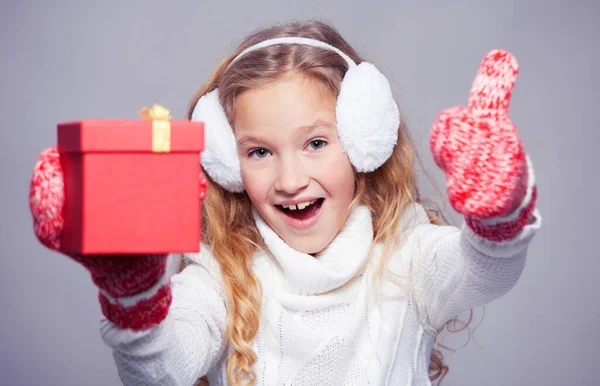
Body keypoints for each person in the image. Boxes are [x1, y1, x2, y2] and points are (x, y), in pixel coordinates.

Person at [29, 20, 541, 386]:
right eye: (259, 152)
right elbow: (161, 371)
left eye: (316, 143)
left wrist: (501, 211)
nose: (290, 179)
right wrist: (133, 293)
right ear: (226, 162)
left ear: (366, 140)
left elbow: (484, 272)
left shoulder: (405, 253)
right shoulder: (221, 274)